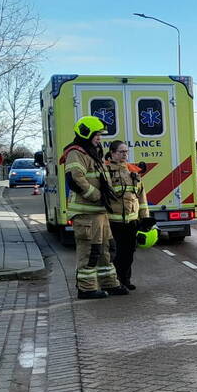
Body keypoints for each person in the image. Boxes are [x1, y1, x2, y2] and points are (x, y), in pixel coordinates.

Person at [61, 117, 126, 299]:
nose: (99, 138)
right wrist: (97, 196)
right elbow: (76, 179)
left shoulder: (92, 152)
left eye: (100, 135)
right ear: (85, 133)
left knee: (106, 249)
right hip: (86, 213)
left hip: (99, 213)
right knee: (90, 251)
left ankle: (109, 283)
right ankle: (87, 288)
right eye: (97, 134)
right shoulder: (76, 153)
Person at [104, 141, 153, 290]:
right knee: (115, 255)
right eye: (121, 152)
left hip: (131, 221)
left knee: (129, 254)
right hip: (113, 221)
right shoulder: (106, 170)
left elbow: (141, 195)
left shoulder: (132, 171)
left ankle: (126, 279)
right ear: (112, 153)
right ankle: (116, 281)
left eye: (126, 151)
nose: (124, 154)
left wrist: (144, 216)